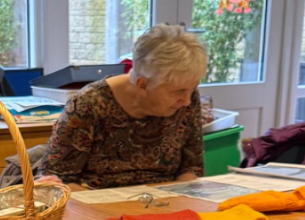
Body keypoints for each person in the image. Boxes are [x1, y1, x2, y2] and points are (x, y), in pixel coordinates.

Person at [39, 24, 206, 191]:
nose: (186, 101)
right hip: (98, 207)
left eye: (192, 89)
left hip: (162, 203)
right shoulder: (88, 104)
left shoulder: (188, 98)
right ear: (142, 85)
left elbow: (191, 168)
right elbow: (57, 182)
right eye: (179, 92)